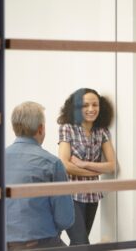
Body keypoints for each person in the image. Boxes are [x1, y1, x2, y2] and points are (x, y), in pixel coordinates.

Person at [5, 101, 74, 250]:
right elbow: (65, 219)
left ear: (13, 128)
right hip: (40, 243)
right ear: (41, 128)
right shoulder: (51, 163)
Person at [57, 88, 117, 245]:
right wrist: (94, 172)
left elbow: (112, 166)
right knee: (82, 241)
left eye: (95, 105)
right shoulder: (68, 128)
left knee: (79, 244)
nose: (91, 109)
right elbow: (65, 164)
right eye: (85, 105)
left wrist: (84, 164)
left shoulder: (102, 131)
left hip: (92, 195)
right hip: (70, 195)